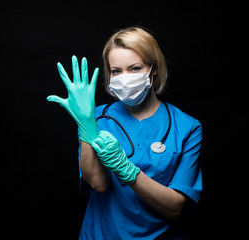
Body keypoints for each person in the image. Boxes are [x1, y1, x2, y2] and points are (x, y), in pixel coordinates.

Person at [47, 27, 202, 239]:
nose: (124, 78)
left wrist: (125, 169)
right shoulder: (95, 118)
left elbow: (175, 208)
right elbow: (98, 184)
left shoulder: (187, 127)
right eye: (116, 71)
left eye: (135, 68)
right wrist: (86, 126)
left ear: (153, 68)